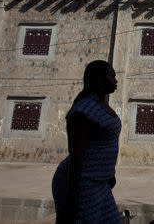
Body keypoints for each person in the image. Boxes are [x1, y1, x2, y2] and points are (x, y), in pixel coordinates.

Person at [52, 60, 121, 223]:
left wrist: (109, 174)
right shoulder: (83, 110)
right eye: (111, 76)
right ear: (99, 79)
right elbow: (76, 154)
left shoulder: (102, 104)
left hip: (100, 181)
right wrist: (73, 195)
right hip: (83, 183)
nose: (116, 80)